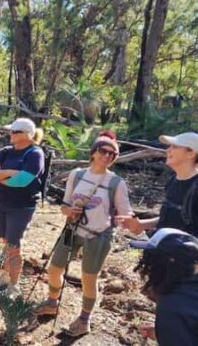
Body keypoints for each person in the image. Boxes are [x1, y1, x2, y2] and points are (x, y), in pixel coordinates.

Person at [33, 131, 134, 336]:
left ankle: (84, 320)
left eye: (112, 154)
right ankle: (52, 302)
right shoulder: (77, 175)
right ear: (93, 152)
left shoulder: (116, 183)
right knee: (54, 268)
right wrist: (68, 212)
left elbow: (125, 213)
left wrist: (133, 223)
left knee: (88, 279)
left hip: (98, 235)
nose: (107, 156)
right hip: (72, 229)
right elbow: (65, 205)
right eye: (104, 151)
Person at [117, 132, 198, 252]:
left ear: (191, 153)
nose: (168, 150)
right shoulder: (174, 180)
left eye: (174, 147)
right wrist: (142, 224)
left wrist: (180, 251)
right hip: (162, 260)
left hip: (186, 266)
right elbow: (173, 217)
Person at [131, 228, 198, 345]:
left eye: (152, 261)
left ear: (163, 265)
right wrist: (166, 332)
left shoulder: (172, 306)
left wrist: (170, 329)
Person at [0, 117, 44, 295]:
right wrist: (9, 173)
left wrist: (1, 175)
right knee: (5, 241)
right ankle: (5, 275)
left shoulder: (34, 154)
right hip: (1, 202)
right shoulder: (6, 151)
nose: (10, 134)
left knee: (14, 245)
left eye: (15, 132)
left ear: (27, 135)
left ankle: (13, 284)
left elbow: (22, 181)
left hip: (21, 207)